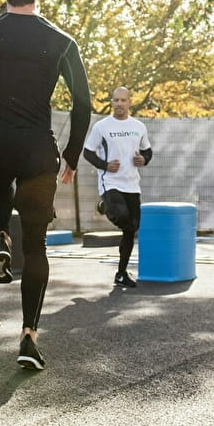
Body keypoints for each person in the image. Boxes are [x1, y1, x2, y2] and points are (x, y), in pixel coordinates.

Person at [0, 0, 91, 370]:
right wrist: (71, 156)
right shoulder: (62, 41)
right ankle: (29, 336)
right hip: (38, 151)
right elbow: (83, 105)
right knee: (36, 247)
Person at [82, 87, 152, 287]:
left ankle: (121, 274)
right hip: (110, 182)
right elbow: (88, 153)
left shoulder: (138, 126)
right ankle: (107, 204)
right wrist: (105, 165)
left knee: (132, 228)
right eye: (116, 100)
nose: (119, 104)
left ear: (130, 101)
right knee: (121, 217)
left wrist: (143, 160)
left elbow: (148, 151)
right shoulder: (102, 127)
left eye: (123, 100)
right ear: (112, 103)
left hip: (132, 184)